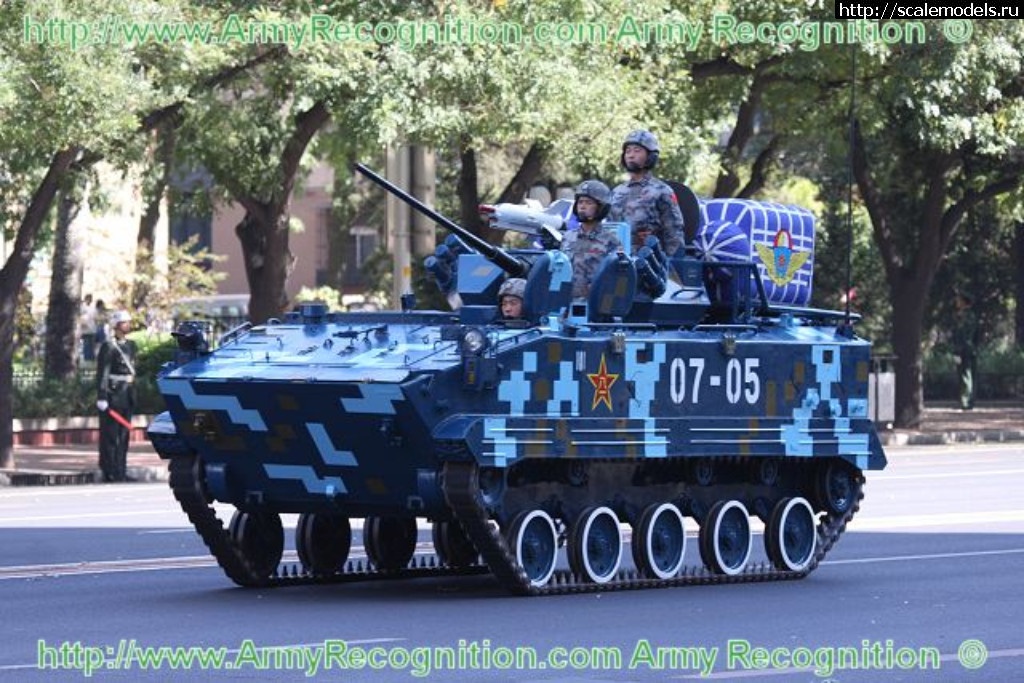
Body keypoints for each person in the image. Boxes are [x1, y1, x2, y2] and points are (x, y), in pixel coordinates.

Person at [608, 129, 685, 257]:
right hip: (618, 261)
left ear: (650, 156)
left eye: (637, 151)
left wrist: (668, 267)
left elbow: (674, 234)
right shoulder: (616, 192)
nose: (631, 155)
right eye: (628, 151)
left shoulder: (662, 191)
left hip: (649, 264)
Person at [560, 179, 622, 299]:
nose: (582, 206)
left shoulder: (611, 241)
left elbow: (618, 278)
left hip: (596, 304)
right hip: (567, 304)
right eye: (580, 202)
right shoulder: (567, 237)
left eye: (588, 203)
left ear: (601, 207)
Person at [95, 310, 137, 482]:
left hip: (127, 394)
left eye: (128, 322)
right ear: (116, 326)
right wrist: (102, 396)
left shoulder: (132, 345)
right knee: (110, 435)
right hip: (113, 395)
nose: (128, 325)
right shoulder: (109, 346)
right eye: (124, 322)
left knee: (123, 436)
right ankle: (109, 470)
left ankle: (121, 469)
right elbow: (103, 373)